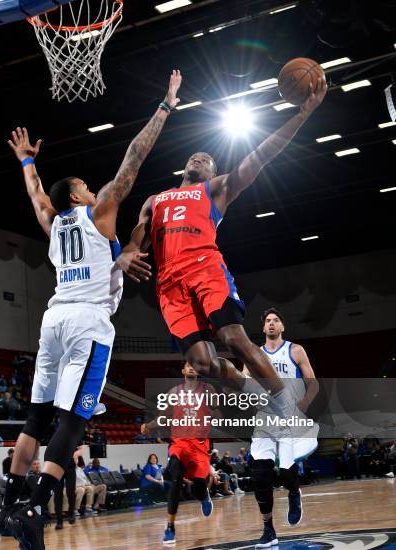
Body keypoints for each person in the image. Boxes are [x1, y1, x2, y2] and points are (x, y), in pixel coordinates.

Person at [0, 70, 183, 550]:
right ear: (80, 197)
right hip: (86, 323)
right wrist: (164, 108)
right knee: (75, 420)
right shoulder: (99, 211)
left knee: (35, 418)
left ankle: (11, 505)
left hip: (53, 319)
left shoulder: (53, 221)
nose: (88, 186)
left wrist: (28, 161)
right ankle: (35, 508)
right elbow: (133, 160)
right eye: (82, 185)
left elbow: (36, 195)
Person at [117, 80, 326, 438]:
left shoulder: (215, 189)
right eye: (194, 156)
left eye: (207, 160)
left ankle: (288, 410)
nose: (199, 158)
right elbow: (139, 234)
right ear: (185, 165)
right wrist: (126, 252)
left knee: (232, 336)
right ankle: (253, 392)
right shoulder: (156, 200)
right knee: (201, 362)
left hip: (204, 268)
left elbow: (260, 156)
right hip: (169, 284)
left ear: (214, 173)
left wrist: (302, 113)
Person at [243, 308, 319, 548]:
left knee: (287, 472)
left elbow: (313, 383)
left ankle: (294, 493)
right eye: (268, 321)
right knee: (260, 476)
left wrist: (305, 402)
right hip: (265, 420)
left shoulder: (295, 350)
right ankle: (268, 530)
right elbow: (244, 382)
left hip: (289, 419)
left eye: (276, 320)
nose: (272, 324)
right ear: (264, 328)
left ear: (282, 326)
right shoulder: (254, 354)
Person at [142, 362, 217, 545]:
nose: (191, 367)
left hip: (199, 445)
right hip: (179, 443)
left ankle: (204, 494)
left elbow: (218, 410)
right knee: (175, 478)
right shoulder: (174, 392)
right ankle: (170, 527)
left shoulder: (208, 390)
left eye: (195, 365)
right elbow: (164, 415)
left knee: (198, 486)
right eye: (187, 365)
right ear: (183, 371)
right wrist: (149, 426)